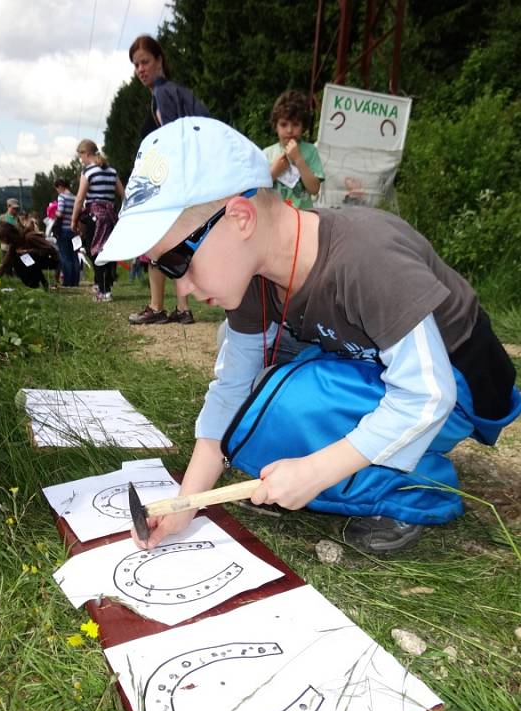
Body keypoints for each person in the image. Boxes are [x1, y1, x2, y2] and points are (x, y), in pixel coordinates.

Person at [96, 117, 520, 555]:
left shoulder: (364, 258)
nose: (179, 288)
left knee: (289, 403)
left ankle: (415, 489)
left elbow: (428, 394)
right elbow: (230, 393)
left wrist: (316, 471)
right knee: (255, 402)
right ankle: (374, 452)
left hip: (463, 384)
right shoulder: (253, 278)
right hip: (385, 366)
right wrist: (186, 503)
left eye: (177, 263)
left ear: (240, 219)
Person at [127, 34, 209, 325]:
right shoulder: (173, 92)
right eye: (136, 65)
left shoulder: (163, 93)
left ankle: (158, 306)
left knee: (157, 243)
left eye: (145, 62)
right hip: (188, 179)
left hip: (174, 181)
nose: (140, 69)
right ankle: (182, 308)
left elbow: (174, 140)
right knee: (177, 243)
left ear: (160, 60)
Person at [71, 139, 123, 302]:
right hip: (110, 215)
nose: (81, 160)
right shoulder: (112, 171)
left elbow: (79, 199)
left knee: (95, 251)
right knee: (107, 251)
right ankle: (107, 285)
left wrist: (74, 220)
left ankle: (103, 290)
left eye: (81, 157)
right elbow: (123, 194)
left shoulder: (88, 172)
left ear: (86, 153)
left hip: (95, 215)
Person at [263, 90, 324, 209]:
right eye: (284, 124)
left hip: (303, 218)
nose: (290, 130)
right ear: (275, 125)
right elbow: (257, 190)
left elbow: (314, 189)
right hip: (275, 217)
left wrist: (298, 159)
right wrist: (274, 172)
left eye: (295, 124)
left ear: (304, 126)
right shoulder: (267, 154)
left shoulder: (311, 151)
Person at [0, 221, 60, 289]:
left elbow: (51, 249)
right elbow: (5, 264)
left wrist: (28, 251)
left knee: (26, 256)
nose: (3, 242)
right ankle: (33, 285)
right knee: (16, 259)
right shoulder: (14, 245)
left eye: (3, 239)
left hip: (53, 260)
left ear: (8, 235)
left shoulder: (29, 237)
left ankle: (43, 283)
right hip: (37, 262)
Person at [54, 178, 80, 287]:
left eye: (57, 189)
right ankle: (75, 281)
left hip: (63, 230)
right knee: (74, 256)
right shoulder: (75, 198)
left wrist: (54, 212)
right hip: (73, 230)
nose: (57, 191)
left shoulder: (62, 197)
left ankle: (67, 282)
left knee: (65, 256)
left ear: (60, 186)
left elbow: (60, 212)